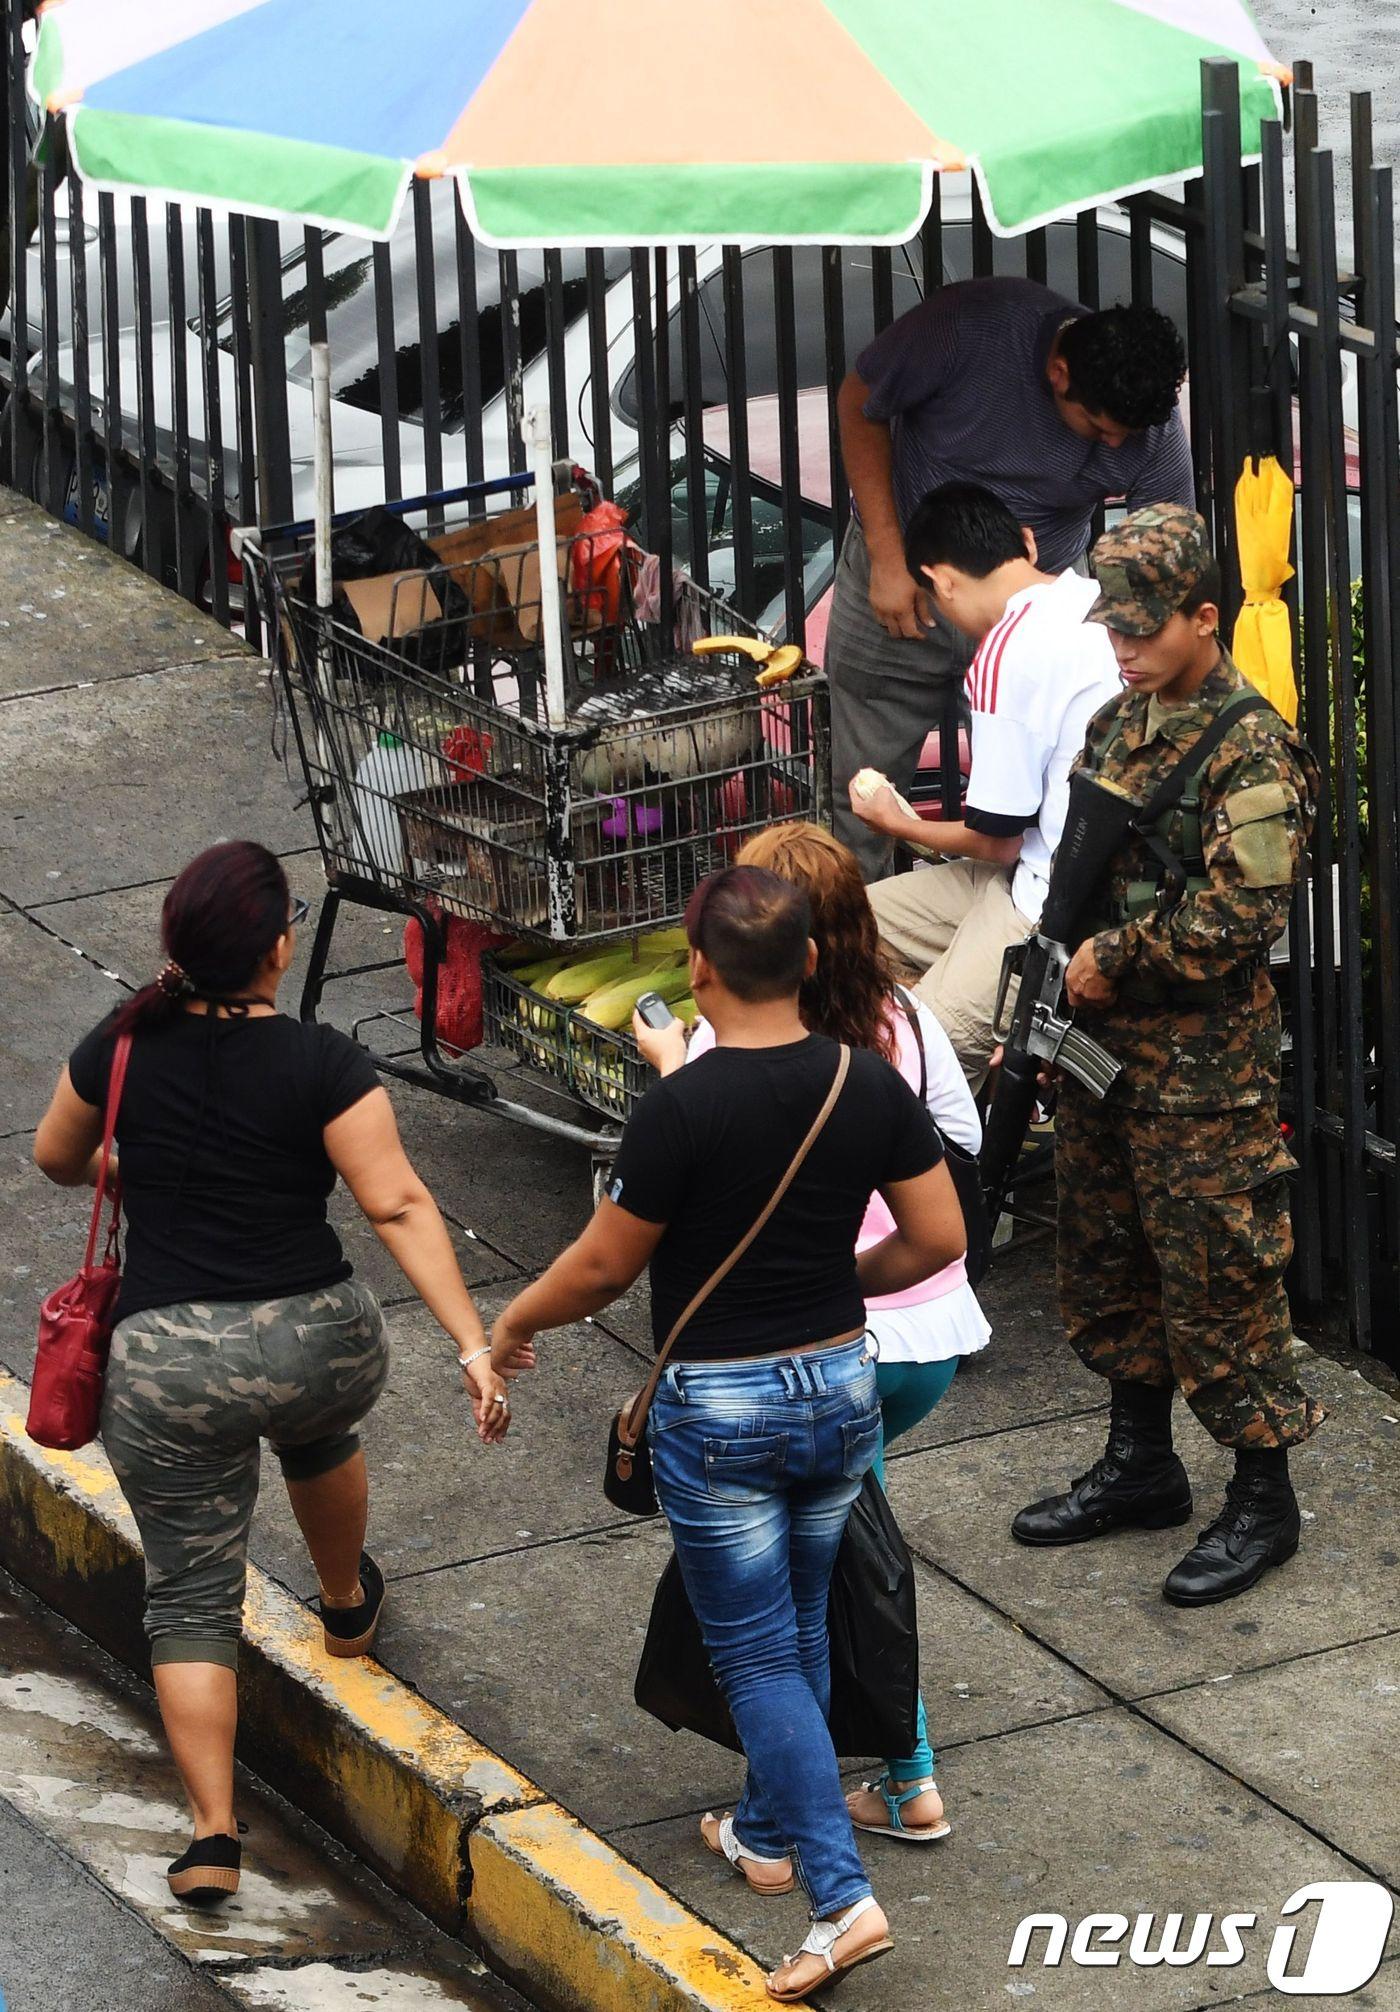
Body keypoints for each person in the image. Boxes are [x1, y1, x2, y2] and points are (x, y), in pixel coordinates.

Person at [490, 866, 965, 2000]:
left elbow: (606, 1264)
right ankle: (771, 1833)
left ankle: (841, 1898)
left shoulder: (681, 1105)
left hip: (721, 1413)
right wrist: (834, 1282)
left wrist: (508, 1321)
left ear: (698, 969)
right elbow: (936, 1233)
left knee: (753, 1652)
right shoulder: (863, 1076)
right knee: (796, 1621)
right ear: (808, 962)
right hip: (839, 1388)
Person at [33, 841, 511, 1906]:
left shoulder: (120, 1046)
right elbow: (394, 1204)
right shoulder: (321, 1060)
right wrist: (471, 1342)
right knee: (317, 1432)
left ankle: (211, 1834)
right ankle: (345, 1602)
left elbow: (57, 1158)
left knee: (192, 1596)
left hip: (166, 1365)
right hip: (317, 1342)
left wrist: (134, 1160)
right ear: (278, 947)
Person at [634, 823, 989, 1848]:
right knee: (843, 1549)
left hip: (826, 1350)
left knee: (802, 1587)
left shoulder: (727, 1045)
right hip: (930, 1332)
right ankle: (867, 1785)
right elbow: (957, 1147)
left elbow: (689, 1170)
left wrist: (668, 1070)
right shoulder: (905, 1022)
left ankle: (814, 1810)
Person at [1011, 505, 1326, 1604]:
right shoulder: (1116, 721)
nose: (1124, 643)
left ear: (1205, 614)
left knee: (1216, 1277)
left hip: (1201, 1070)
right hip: (1107, 1049)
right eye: (1115, 624)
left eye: (1146, 626)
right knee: (1107, 1253)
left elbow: (1244, 913)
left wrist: (1117, 955)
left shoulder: (1248, 747)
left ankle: (1259, 1496)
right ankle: (1139, 1463)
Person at [828, 278, 1192, 878]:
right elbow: (858, 399)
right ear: (1059, 370)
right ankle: (844, 950)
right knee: (856, 802)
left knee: (1039, 811)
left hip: (1036, 608)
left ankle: (1000, 949)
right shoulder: (969, 327)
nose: (1114, 445)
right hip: (903, 585)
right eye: (1098, 428)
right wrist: (888, 557)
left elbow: (1163, 560)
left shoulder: (1151, 429)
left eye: (1124, 436)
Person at [848, 481, 1122, 1089]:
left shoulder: (1005, 650)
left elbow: (996, 840)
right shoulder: (1093, 597)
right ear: (1026, 542)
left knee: (913, 1065)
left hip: (1043, 904)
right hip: (1036, 871)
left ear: (940, 580)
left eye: (937, 599)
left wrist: (897, 824)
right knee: (843, 921)